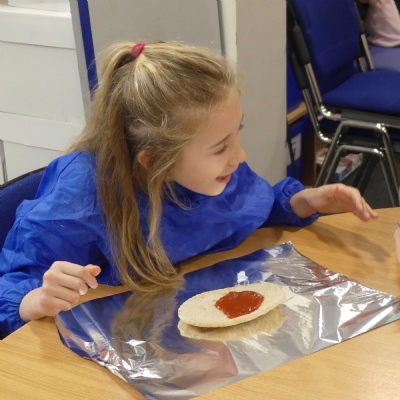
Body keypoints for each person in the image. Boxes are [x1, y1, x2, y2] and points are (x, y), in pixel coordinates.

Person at [0, 40, 377, 337]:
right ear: (153, 161)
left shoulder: (212, 171)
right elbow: (12, 287)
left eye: (237, 133)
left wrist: (299, 202)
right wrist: (38, 299)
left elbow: (244, 211)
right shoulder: (80, 197)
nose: (240, 155)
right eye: (221, 147)